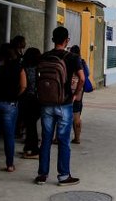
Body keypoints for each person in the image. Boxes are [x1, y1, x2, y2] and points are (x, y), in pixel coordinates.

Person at [34, 26, 83, 186]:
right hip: (65, 103)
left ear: (53, 39)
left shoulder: (44, 56)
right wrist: (76, 94)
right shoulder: (72, 57)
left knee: (46, 139)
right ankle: (63, 176)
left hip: (46, 103)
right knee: (63, 140)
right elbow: (82, 78)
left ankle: (42, 175)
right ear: (67, 40)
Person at [0, 43, 26, 172]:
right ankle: (9, 164)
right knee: (9, 135)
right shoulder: (18, 67)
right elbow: (24, 86)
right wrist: (15, 95)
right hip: (10, 104)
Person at [20, 47, 41, 159]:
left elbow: (23, 86)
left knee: (30, 126)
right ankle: (29, 148)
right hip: (38, 100)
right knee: (31, 125)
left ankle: (32, 149)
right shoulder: (39, 69)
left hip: (27, 99)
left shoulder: (24, 69)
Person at [68, 45, 85, 144]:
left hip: (68, 91)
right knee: (77, 115)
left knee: (61, 115)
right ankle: (77, 137)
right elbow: (85, 76)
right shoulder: (82, 62)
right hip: (78, 91)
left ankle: (57, 137)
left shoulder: (68, 61)